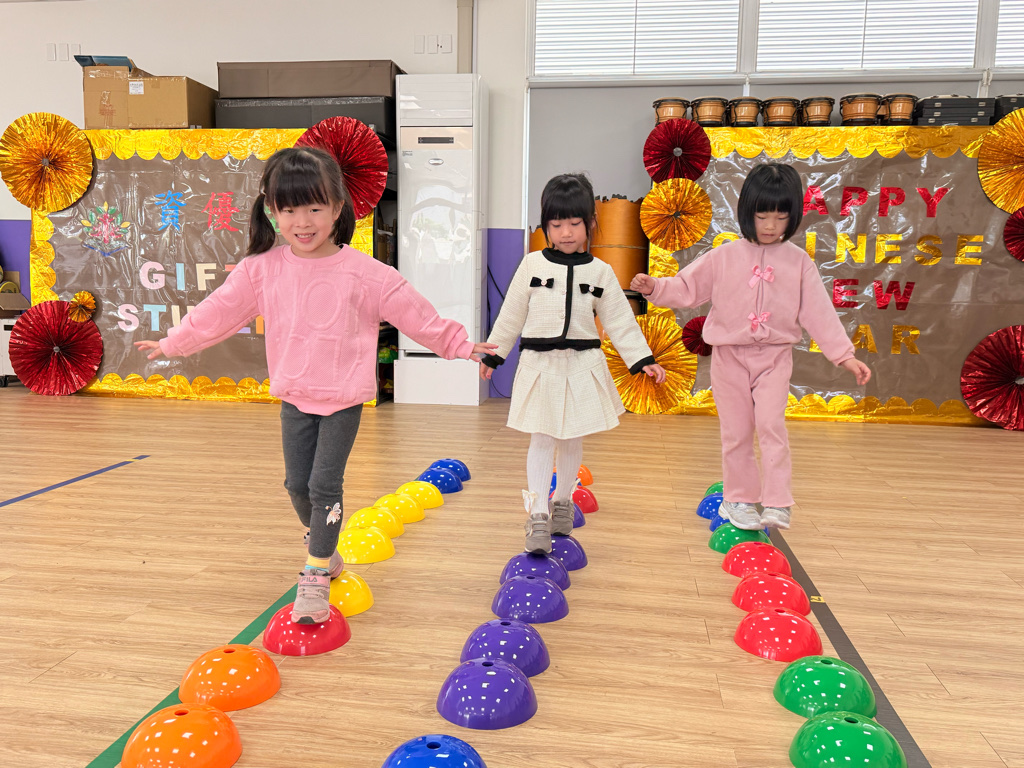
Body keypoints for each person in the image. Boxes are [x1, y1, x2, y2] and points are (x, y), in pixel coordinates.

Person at [136, 147, 495, 624]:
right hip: (294, 396)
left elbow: (416, 314)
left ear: (337, 208)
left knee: (325, 485)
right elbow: (218, 311)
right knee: (296, 487)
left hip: (343, 399)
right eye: (289, 210)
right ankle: (325, 545)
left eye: (314, 208)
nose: (302, 222)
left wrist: (461, 345)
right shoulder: (262, 269)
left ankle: (316, 571)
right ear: (272, 211)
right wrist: (173, 342)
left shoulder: (366, 273)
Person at [631, 162, 870, 531]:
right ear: (747, 213)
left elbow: (819, 312)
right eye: (762, 216)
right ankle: (739, 499)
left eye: (780, 217)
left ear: (793, 215)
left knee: (772, 426)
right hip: (730, 359)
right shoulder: (724, 256)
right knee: (737, 431)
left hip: (774, 359)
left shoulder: (798, 262)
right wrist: (655, 288)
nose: (771, 225)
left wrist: (844, 356)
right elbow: (687, 288)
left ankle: (778, 502)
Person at [481, 173, 666, 554]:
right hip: (540, 364)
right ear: (545, 226)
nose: (566, 232)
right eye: (556, 224)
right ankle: (537, 514)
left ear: (590, 223)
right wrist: (494, 355)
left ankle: (563, 502)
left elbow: (620, 320)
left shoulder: (600, 272)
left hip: (582, 365)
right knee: (542, 437)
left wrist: (642, 359)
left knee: (571, 439)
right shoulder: (531, 265)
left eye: (574, 223)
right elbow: (511, 314)